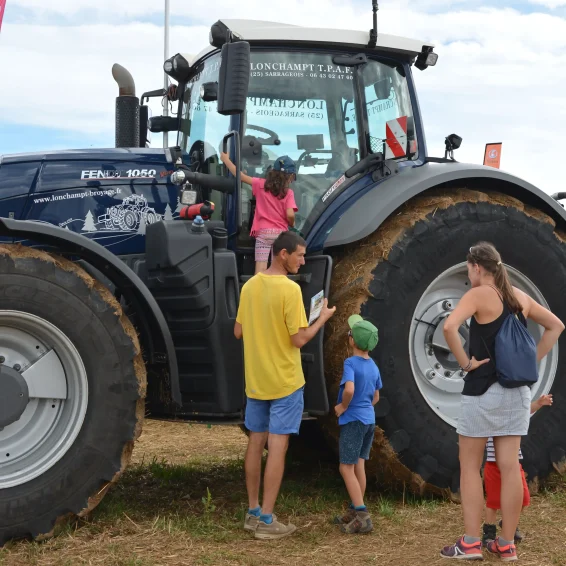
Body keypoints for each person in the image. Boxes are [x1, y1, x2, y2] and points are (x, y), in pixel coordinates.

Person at [439, 242, 564, 561]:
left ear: (477, 267)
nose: (469, 275)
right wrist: (531, 361)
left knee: (470, 466)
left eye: (469, 270)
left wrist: (466, 363)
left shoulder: (479, 294)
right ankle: (506, 544)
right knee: (509, 467)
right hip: (518, 393)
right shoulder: (519, 296)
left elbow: (449, 327)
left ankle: (469, 543)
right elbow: (556, 326)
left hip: (484, 391)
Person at [234, 230, 336, 540]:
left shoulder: (250, 287)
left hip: (257, 381)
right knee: (278, 447)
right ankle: (267, 519)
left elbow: (238, 331)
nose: (303, 261)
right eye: (300, 255)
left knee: (255, 442)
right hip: (285, 382)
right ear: (283, 254)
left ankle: (252, 513)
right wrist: (322, 318)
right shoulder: (290, 291)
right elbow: (299, 338)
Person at [482, 394, 554, 547]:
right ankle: (489, 531)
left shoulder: (513, 414)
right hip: (494, 465)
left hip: (514, 464)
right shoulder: (487, 416)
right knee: (493, 501)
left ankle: (508, 522)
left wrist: (539, 403)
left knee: (522, 498)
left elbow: (525, 411)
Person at [333, 314, 382, 534]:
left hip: (353, 420)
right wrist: (365, 407)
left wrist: (343, 407)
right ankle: (354, 510)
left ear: (352, 341)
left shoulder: (350, 363)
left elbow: (350, 389)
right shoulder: (373, 366)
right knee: (359, 464)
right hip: (369, 420)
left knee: (346, 467)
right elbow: (376, 397)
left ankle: (362, 516)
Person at [221, 152, 298, 274]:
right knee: (277, 266)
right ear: (290, 176)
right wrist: (292, 224)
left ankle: (259, 288)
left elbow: (239, 175)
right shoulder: (288, 193)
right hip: (280, 235)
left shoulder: (260, 184)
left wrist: (226, 159)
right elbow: (290, 214)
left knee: (261, 266)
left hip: (263, 233)